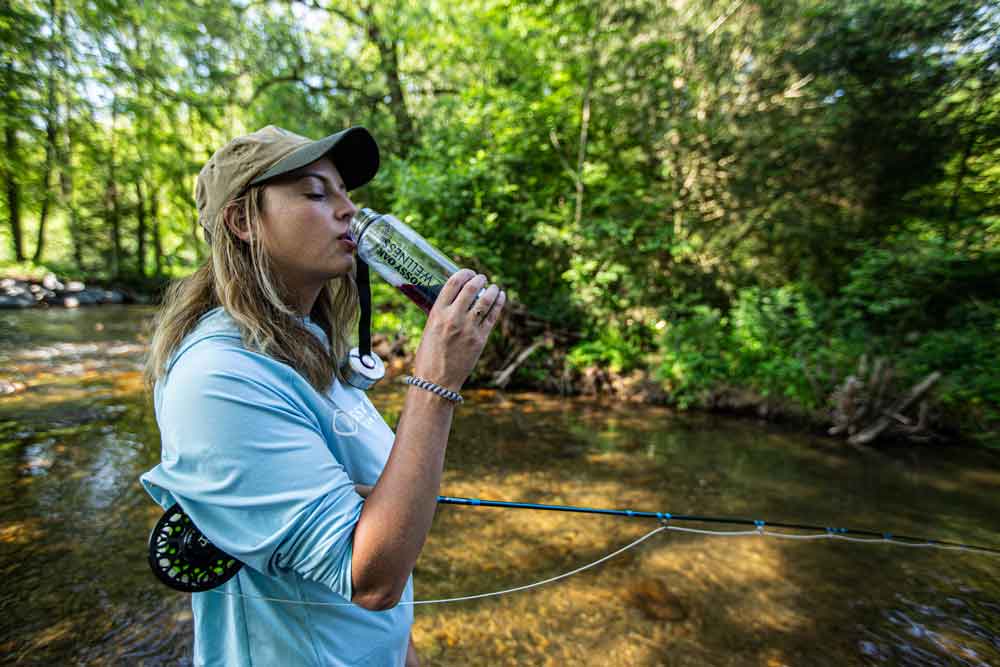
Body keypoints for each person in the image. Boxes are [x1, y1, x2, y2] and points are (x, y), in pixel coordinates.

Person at [140, 125, 505, 666]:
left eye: (345, 193)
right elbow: (369, 576)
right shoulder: (216, 379)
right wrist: (437, 381)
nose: (348, 211)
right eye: (316, 193)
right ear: (242, 221)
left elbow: (384, 540)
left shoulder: (306, 342)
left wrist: (403, 653)